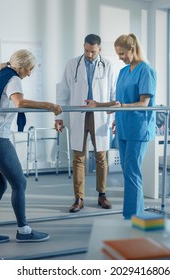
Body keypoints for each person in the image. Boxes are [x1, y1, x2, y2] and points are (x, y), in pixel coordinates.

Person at [0, 49, 62, 244]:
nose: (30, 73)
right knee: (20, 183)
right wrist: (49, 105)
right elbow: (19, 102)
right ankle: (24, 230)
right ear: (22, 66)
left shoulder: (1, 73)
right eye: (30, 69)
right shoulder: (13, 78)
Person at [55, 34, 117, 213]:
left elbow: (113, 93)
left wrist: (115, 119)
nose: (89, 55)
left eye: (93, 51)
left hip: (100, 116)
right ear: (83, 46)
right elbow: (63, 93)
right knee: (78, 158)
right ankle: (79, 198)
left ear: (100, 49)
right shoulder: (72, 64)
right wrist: (58, 117)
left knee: (101, 157)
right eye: (87, 51)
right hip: (79, 114)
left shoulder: (108, 65)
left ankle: (102, 194)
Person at [112, 33, 156, 219]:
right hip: (123, 125)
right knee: (127, 170)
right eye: (118, 54)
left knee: (132, 172)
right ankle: (132, 214)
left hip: (138, 127)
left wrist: (122, 107)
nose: (120, 58)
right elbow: (120, 101)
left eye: (122, 54)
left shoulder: (146, 70)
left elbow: (144, 102)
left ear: (132, 49)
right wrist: (115, 115)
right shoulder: (123, 72)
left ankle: (133, 216)